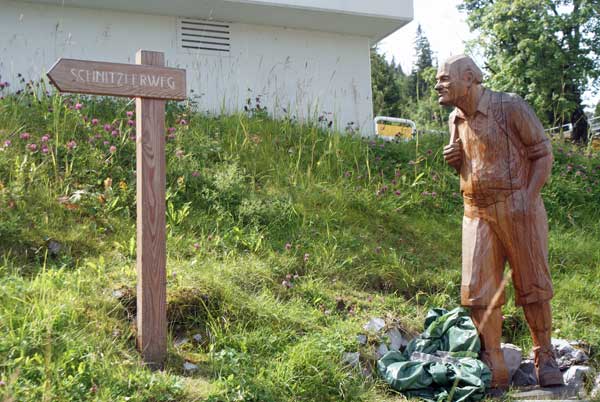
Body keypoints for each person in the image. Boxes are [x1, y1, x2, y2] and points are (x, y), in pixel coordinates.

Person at [435, 55, 563, 388]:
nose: (438, 85)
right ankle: (494, 362)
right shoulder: (455, 119)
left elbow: (543, 152)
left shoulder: (511, 107)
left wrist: (529, 196)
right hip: (475, 211)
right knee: (477, 290)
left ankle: (544, 355)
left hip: (518, 206)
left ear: (468, 78)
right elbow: (469, 164)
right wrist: (455, 161)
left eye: (444, 79)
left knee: (533, 283)